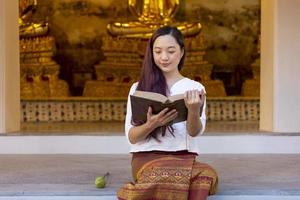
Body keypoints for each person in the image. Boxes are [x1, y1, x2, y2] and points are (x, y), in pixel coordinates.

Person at [117, 26, 218, 200]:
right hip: (147, 159)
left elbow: (194, 132)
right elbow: (132, 137)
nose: (164, 57)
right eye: (158, 51)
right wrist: (152, 124)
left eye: (171, 51)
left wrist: (193, 110)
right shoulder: (138, 88)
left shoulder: (195, 88)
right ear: (151, 54)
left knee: (207, 174)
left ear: (181, 52)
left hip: (184, 158)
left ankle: (150, 189)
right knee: (171, 176)